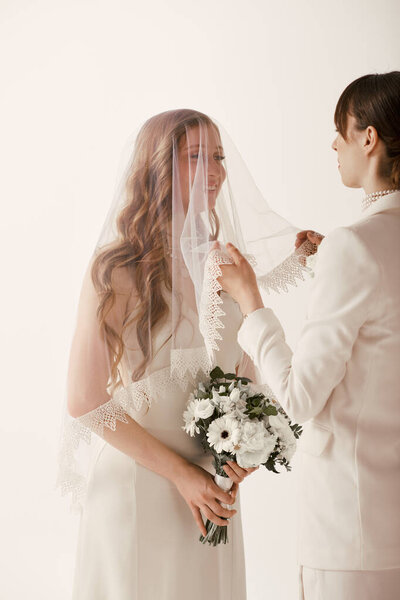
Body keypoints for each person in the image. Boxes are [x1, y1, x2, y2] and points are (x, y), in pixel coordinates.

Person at [57, 109, 315, 599]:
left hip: (210, 494)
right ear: (157, 167)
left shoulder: (227, 267)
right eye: (197, 157)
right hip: (138, 484)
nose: (214, 172)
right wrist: (182, 476)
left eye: (218, 157)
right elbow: (84, 398)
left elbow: (246, 384)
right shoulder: (115, 268)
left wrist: (244, 453)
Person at [218, 72, 400, 599]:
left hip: (351, 532)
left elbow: (300, 398)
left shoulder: (356, 247)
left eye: (340, 130)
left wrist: (252, 302)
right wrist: (335, 261)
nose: (334, 144)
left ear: (369, 138)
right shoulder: (359, 250)